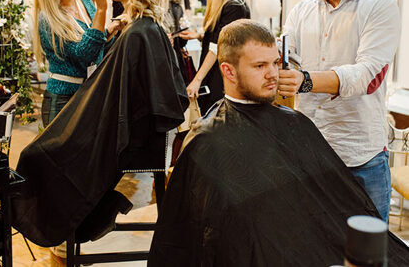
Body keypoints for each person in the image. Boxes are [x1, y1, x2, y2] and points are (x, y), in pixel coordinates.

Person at [148, 20, 409, 267]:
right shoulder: (206, 139)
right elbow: (188, 237)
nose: (273, 74)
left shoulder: (295, 123)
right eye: (260, 66)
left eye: (275, 63)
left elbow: (335, 207)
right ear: (228, 70)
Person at [12, 0, 189, 247]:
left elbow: (102, 57)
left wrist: (108, 26)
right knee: (46, 153)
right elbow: (85, 54)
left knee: (43, 158)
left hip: (91, 104)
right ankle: (71, 232)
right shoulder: (50, 18)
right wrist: (105, 17)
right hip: (67, 98)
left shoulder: (130, 28)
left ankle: (77, 223)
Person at [278, 0, 401, 222]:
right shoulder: (300, 13)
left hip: (361, 157)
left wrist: (305, 81)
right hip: (309, 154)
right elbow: (284, 59)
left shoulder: (380, 8)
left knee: (366, 245)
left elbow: (366, 77)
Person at [33, 0, 121, 128]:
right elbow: (84, 54)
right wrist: (101, 10)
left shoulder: (84, 0)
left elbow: (97, 47)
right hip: (63, 99)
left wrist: (110, 32)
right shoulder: (48, 18)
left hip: (89, 92)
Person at [180, 0, 250, 113]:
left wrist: (197, 80)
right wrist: (199, 36)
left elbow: (219, 46)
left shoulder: (234, 6)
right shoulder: (229, 4)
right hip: (217, 78)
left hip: (220, 81)